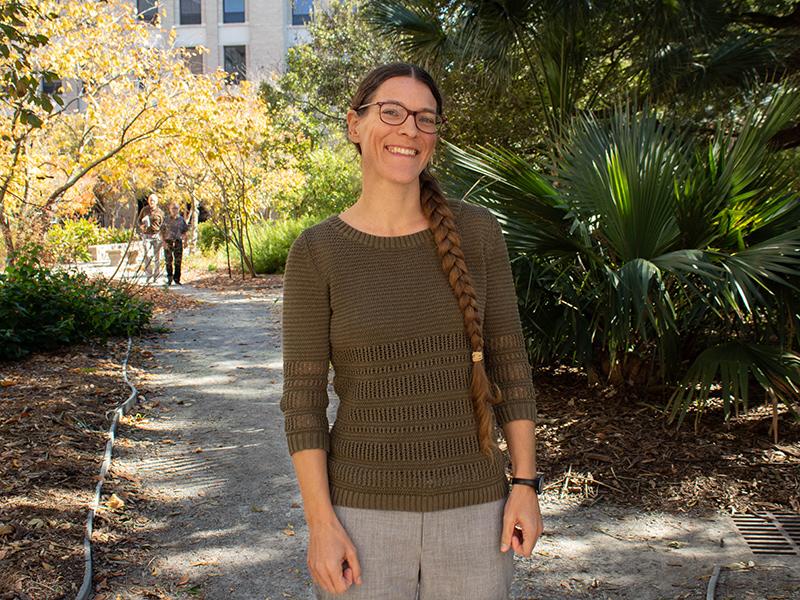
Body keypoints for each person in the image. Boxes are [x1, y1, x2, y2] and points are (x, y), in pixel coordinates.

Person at [280, 63, 543, 600]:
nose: (409, 130)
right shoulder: (317, 252)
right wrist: (321, 525)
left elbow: (510, 367)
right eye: (391, 112)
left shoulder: (477, 232)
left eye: (425, 119)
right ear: (355, 125)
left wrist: (524, 484)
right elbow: (302, 404)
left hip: (477, 512)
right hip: (359, 515)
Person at [136, 193, 164, 284]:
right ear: (148, 201)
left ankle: (157, 276)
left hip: (156, 236)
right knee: (147, 255)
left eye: (153, 200)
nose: (151, 202)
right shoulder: (144, 210)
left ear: (156, 202)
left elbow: (163, 225)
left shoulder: (160, 212)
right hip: (146, 236)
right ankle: (149, 275)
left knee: (157, 258)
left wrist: (163, 237)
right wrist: (141, 226)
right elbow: (138, 220)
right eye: (150, 200)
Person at [160, 201, 189, 285]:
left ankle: (177, 279)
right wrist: (163, 242)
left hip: (178, 242)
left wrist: (186, 241)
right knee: (168, 261)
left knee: (178, 261)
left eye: (176, 208)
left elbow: (185, 232)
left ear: (178, 209)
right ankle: (169, 278)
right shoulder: (166, 219)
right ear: (169, 209)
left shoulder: (181, 220)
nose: (174, 210)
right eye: (173, 208)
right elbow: (162, 232)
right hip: (168, 241)